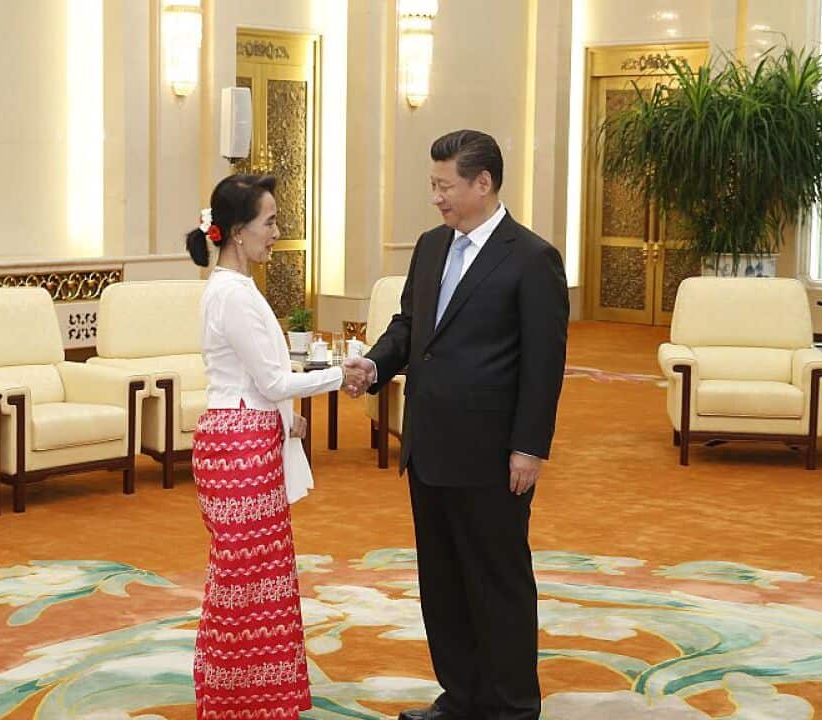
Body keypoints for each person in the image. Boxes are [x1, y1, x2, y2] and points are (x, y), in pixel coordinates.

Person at [343, 130, 569, 720]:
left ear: (483, 183)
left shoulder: (531, 258)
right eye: (434, 185)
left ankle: (513, 707)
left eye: (445, 186)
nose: (436, 198)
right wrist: (375, 362)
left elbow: (545, 365)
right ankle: (461, 697)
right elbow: (410, 326)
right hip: (429, 446)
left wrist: (529, 447)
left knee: (498, 582)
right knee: (442, 584)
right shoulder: (429, 246)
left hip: (494, 455)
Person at [187, 174, 368, 720]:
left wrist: (286, 421)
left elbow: (256, 383)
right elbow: (269, 382)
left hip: (248, 439)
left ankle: (252, 698)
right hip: (238, 449)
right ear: (238, 232)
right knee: (245, 580)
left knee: (259, 579)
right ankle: (235, 699)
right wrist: (342, 373)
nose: (277, 232)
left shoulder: (236, 289)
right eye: (270, 222)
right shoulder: (231, 295)